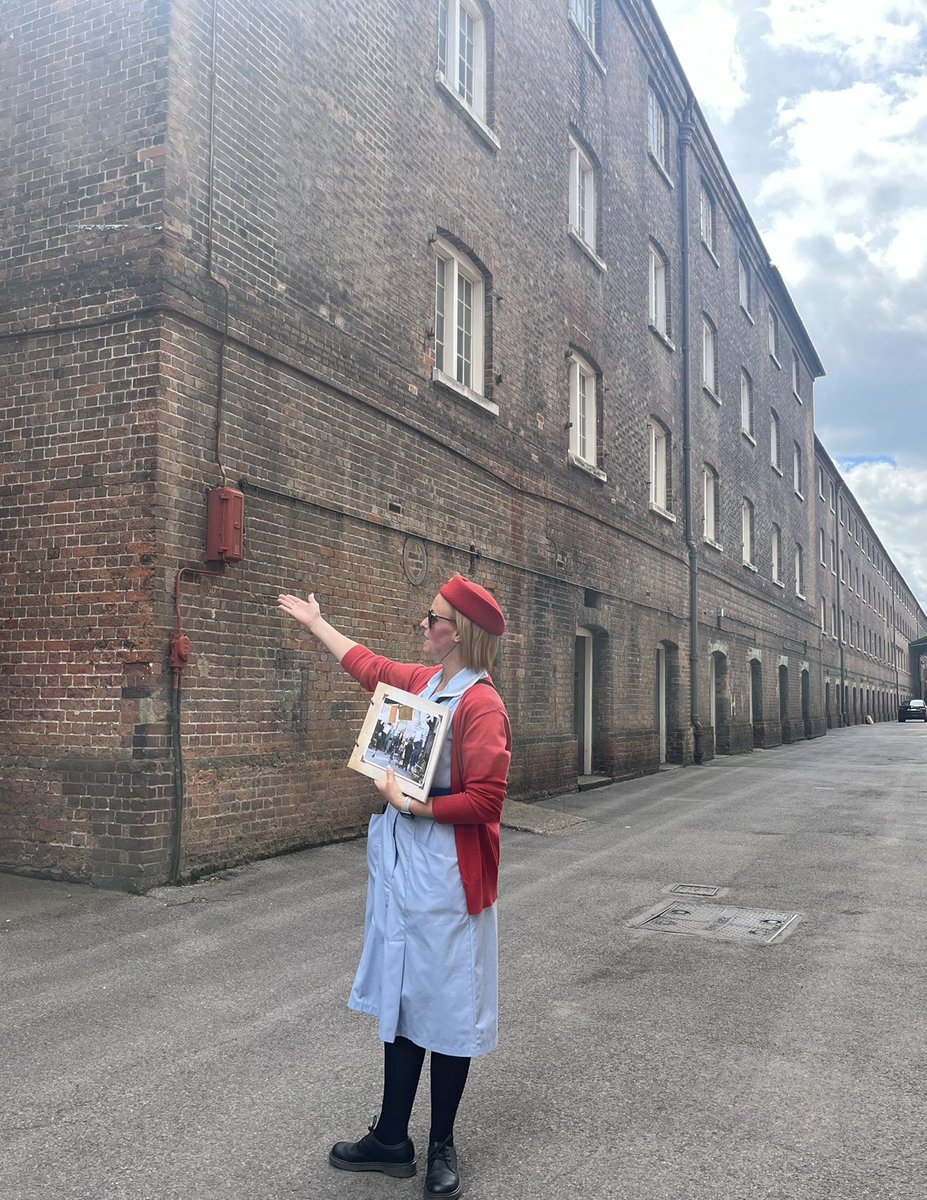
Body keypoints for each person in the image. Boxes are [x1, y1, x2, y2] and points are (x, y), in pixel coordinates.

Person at [277, 575, 511, 1199]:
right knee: (406, 998)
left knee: (449, 1006)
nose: (423, 625)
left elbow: (488, 801)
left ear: (456, 630)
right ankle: (391, 1137)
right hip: (408, 869)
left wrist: (414, 805)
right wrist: (317, 624)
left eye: (430, 617)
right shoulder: (428, 684)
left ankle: (440, 1145)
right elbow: (369, 667)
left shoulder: (481, 705)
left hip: (450, 874)